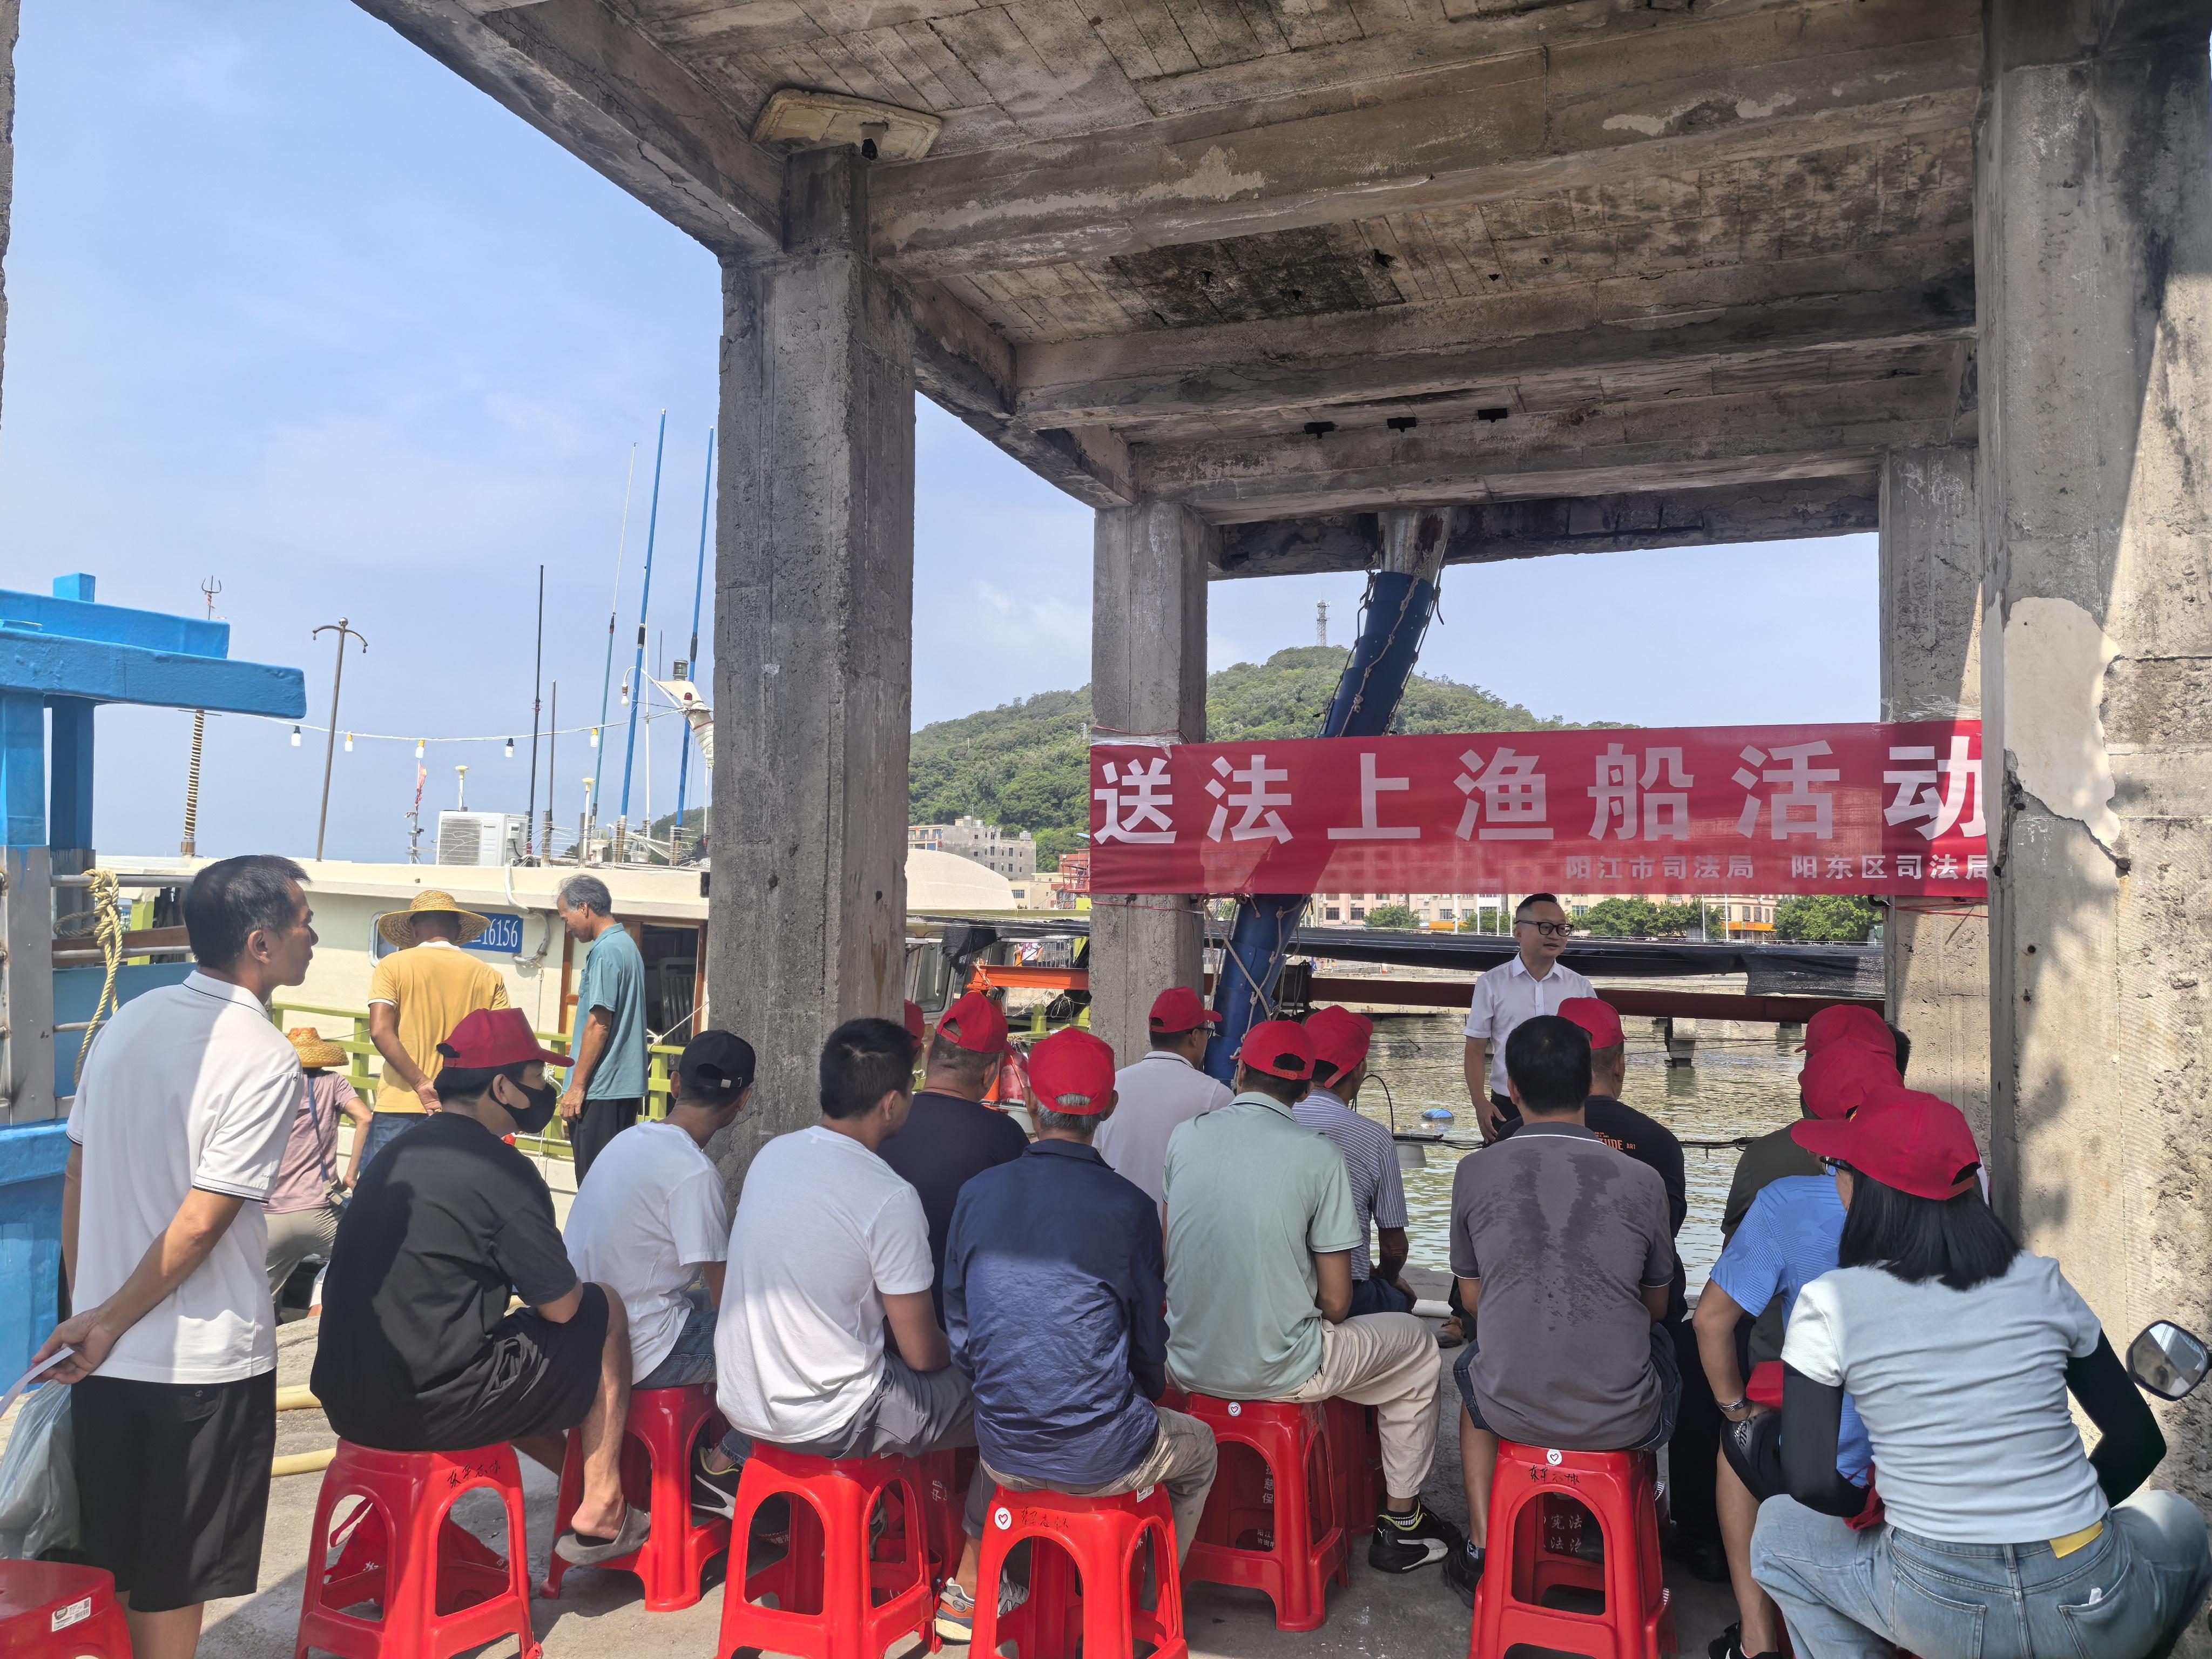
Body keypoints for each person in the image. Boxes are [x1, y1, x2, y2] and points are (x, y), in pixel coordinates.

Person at [1750, 1087, 2212, 1659]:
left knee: (1777, 1530)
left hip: (1936, 1609)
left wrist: (1869, 1511)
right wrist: (2057, 1526)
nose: (1833, 1179)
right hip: (2093, 1596)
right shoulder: (2040, 1282)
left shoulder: (1831, 1303)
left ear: (1869, 1190)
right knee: (2178, 1520)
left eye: (1836, 1166)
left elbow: (1810, 1482)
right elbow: (2140, 1443)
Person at [39, 856, 315, 1659]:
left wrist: (90, 1312)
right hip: (200, 1362)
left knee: (119, 1556)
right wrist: (105, 1319)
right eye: (303, 923)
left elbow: (78, 1173)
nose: (311, 937)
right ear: (260, 943)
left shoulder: (128, 1021)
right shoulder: (263, 1054)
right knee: (176, 1576)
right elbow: (200, 1224)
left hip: (107, 1356)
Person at [313, 1009, 648, 1567]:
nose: (546, 1090)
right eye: (537, 1078)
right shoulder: (502, 1169)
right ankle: (604, 1504)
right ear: (502, 1087)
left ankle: (574, 1477)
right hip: (431, 1407)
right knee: (602, 1308)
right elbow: (563, 1310)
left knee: (498, 1347)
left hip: (346, 1400)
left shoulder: (392, 1154)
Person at [714, 1019, 1001, 1624]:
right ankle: (973, 1585)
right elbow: (922, 1353)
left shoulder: (773, 1155)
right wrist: (972, 1354)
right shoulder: (889, 1197)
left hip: (743, 1405)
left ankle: (864, 1522)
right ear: (892, 1104)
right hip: (833, 1416)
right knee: (1010, 1406)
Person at [942, 1027, 1219, 1635]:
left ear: (1027, 1100)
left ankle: (990, 1588)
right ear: (1109, 1108)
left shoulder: (977, 1194)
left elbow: (961, 1333)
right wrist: (1144, 1393)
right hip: (1102, 1454)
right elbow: (1147, 1345)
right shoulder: (1130, 1208)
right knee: (1201, 1449)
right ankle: (1146, 1612)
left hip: (1001, 1450)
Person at [1163, 1020, 1460, 1582]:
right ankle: (1401, 1521)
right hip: (1281, 1370)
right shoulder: (1318, 1154)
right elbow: (1338, 1303)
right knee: (1420, 1350)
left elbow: (1170, 1255)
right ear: (1303, 1092)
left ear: (1239, 1072)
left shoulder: (1186, 1136)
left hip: (1186, 1363)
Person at [1447, 1014, 1680, 1606]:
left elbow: (1471, 1299)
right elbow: (1657, 1304)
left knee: (1472, 1367)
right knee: (1663, 1348)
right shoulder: (1643, 1179)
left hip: (1509, 1409)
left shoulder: (1473, 1171)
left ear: (1512, 1089)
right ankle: (1628, 1526)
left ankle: (1482, 1547)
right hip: (1620, 1416)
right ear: (1591, 1083)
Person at [1692, 1102, 1877, 1659]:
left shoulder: (1790, 1203)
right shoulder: (2021, 1275)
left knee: (1740, 1438)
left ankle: (1757, 1641)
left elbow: (1710, 1321)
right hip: (1948, 1490)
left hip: (1849, 1473)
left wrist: (1735, 1409)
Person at [1550, 996, 1724, 1582]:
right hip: (1630, 1346)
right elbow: (1658, 1260)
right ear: (1619, 1064)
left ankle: (1487, 1540)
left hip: (1525, 1355)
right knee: (1691, 1356)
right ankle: (1660, 1513)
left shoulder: (1510, 1144)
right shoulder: (1658, 1143)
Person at [565, 1030, 751, 1397]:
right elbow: (725, 1298)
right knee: (771, 1339)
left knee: (701, 1301)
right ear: (743, 1100)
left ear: (676, 1084)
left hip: (578, 1335)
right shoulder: (695, 1172)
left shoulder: (625, 1139)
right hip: (639, 1352)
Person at [878, 990, 1029, 1317]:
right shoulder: (1005, 1136)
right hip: (955, 1324)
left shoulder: (881, 1119)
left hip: (875, 1319)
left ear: (929, 1050)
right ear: (989, 1073)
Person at [361, 889, 510, 1168]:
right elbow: (501, 1045)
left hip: (399, 1104)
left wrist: (421, 1084)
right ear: (457, 930)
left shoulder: (392, 965)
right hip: (463, 1109)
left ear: (413, 928)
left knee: (380, 1188)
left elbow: (380, 1031)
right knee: (448, 1189)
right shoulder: (489, 976)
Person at [1294, 1006, 1412, 1316]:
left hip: (1278, 1288)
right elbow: (1394, 1247)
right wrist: (1388, 1278)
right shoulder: (1374, 1136)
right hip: (1347, 1295)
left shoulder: (1276, 1120)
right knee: (1401, 1302)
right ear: (1360, 1069)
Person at [1462, 894, 1591, 1142]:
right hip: (1507, 1105)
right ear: (1519, 933)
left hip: (1567, 1106)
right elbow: (1475, 1049)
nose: (1555, 935)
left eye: (1562, 928)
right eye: (1546, 927)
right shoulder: (1491, 983)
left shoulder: (1580, 987)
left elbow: (1594, 1050)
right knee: (1502, 1166)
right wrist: (1480, 1104)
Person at [1094, 985, 1230, 1210]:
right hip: (1177, 1228)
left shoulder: (1113, 1084)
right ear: (1195, 1037)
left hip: (1116, 1224)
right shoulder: (1216, 1096)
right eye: (1207, 1032)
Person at [264, 1026, 373, 1300]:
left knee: (261, 1299)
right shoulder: (333, 1082)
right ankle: (321, 1310)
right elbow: (365, 1117)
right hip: (319, 1213)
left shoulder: (271, 1084)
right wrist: (351, 1175)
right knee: (367, 1263)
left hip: (270, 1215)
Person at [556, 873, 648, 1179]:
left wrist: (576, 1087)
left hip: (601, 1090)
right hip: (621, 1089)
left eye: (566, 919)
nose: (568, 928)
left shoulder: (606, 951)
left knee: (594, 1185)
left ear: (584, 908)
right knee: (613, 1183)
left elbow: (599, 1025)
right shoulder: (626, 945)